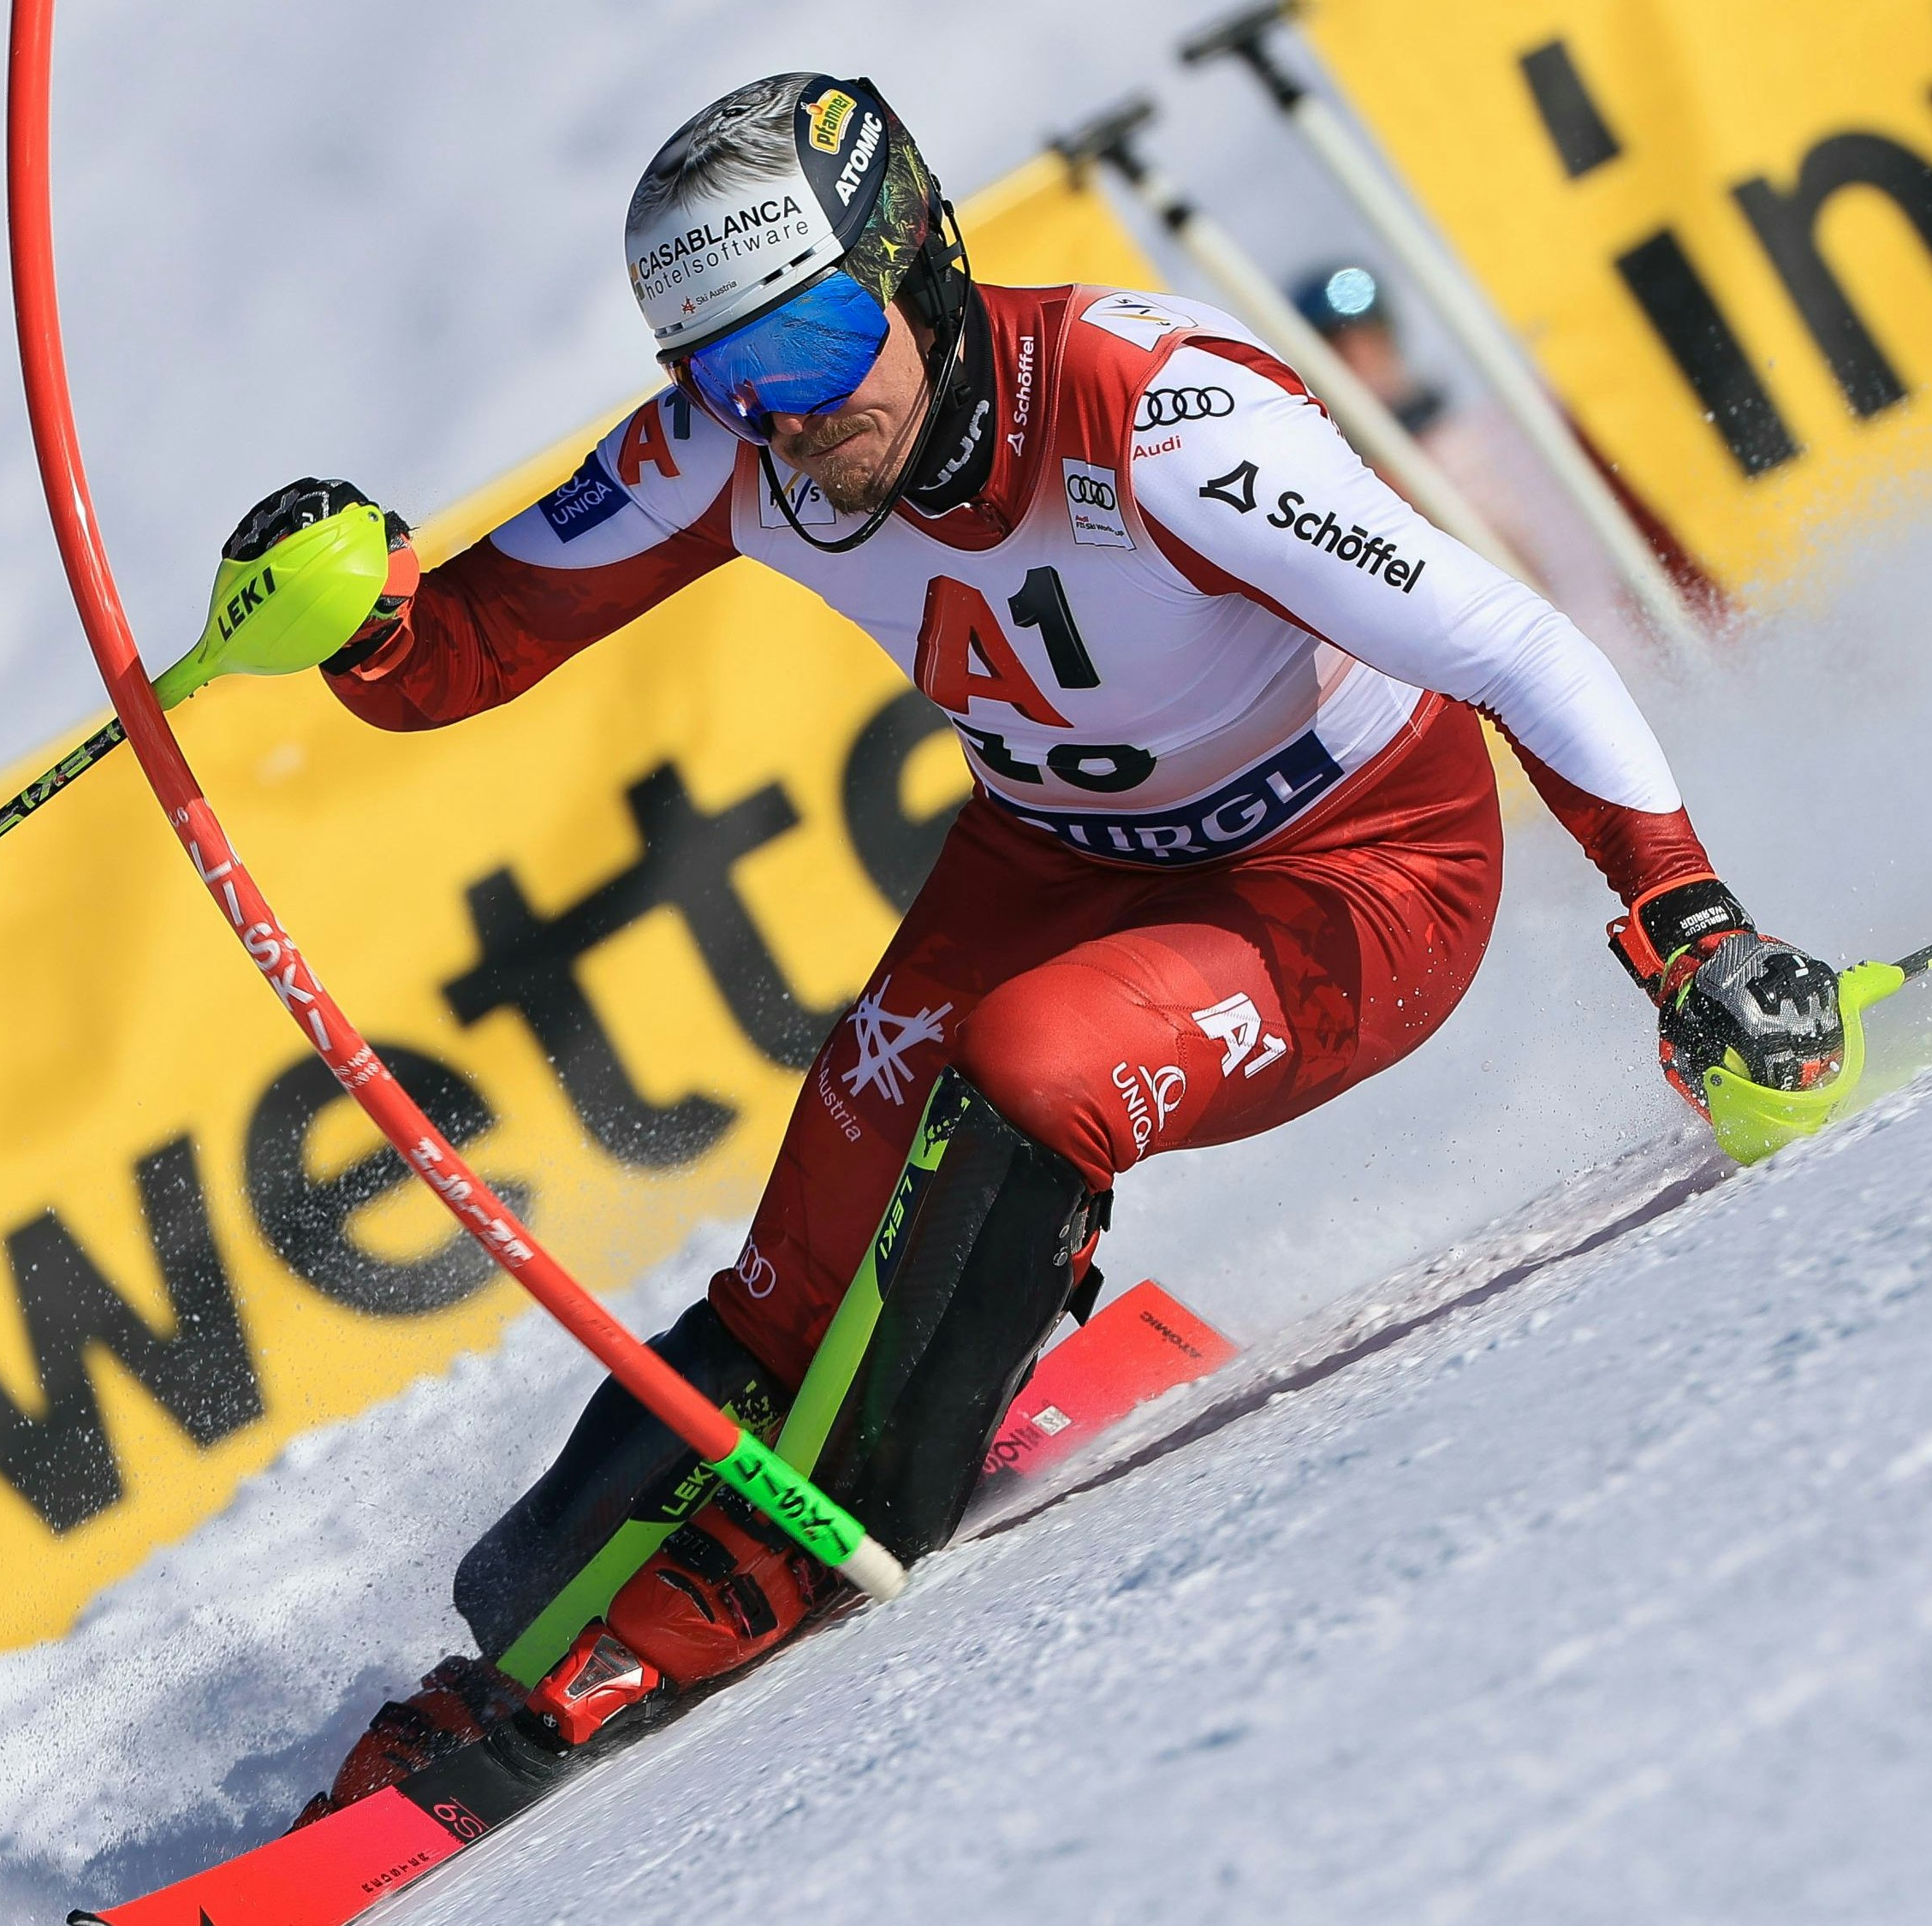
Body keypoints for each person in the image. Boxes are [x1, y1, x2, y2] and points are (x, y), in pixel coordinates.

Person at [158, 74, 1846, 1814]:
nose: (782, 416)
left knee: (1027, 1067)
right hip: (1052, 856)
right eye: (726, 372)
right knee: (777, 1287)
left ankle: (807, 1545)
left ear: (915, 270)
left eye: (811, 347)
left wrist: (1685, 929)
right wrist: (348, 611)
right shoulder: (734, 447)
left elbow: (1512, 648)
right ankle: (557, 1625)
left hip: (1350, 877)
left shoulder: (1156, 413)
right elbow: (456, 657)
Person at [1290, 259, 1645, 655]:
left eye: (1372, 341)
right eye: (1342, 351)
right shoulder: (1357, 496)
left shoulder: (1510, 425)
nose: (1364, 360)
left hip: (1626, 638)